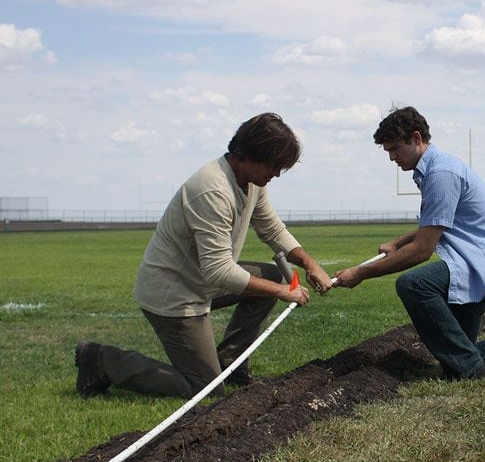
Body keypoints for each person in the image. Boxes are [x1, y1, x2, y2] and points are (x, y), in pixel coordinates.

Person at [75, 113, 332, 399]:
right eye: (273, 166)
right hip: (174, 293)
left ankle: (230, 364)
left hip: (201, 280)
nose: (276, 174)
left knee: (270, 277)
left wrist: (309, 263)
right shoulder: (212, 190)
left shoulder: (254, 182)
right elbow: (219, 272)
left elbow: (271, 229)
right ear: (247, 156)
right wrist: (284, 291)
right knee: (204, 389)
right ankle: (101, 360)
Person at [333, 106, 485, 380]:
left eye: (395, 148)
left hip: (484, 263)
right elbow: (436, 223)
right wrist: (397, 242)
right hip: (476, 259)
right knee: (458, 356)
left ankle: (472, 370)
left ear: (416, 138)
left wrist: (360, 274)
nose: (392, 157)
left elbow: (421, 251)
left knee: (413, 285)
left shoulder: (441, 174)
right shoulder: (434, 169)